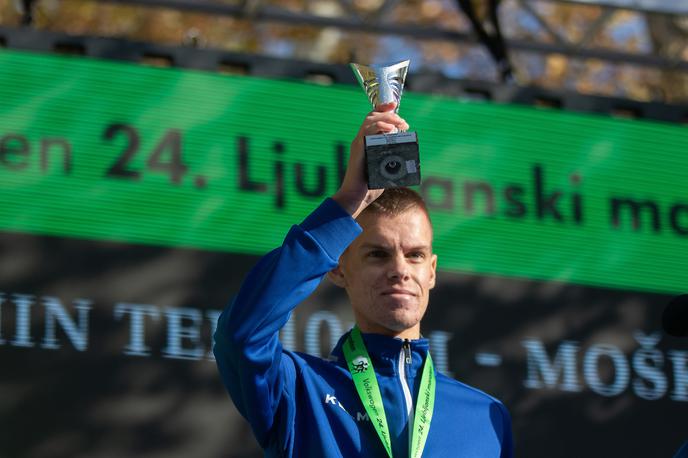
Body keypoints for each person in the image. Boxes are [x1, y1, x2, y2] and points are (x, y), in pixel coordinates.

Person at [214, 102, 513, 457]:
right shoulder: (300, 389)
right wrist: (349, 200)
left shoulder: (486, 419)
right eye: (378, 254)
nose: (400, 269)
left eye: (415, 255)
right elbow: (242, 334)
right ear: (339, 269)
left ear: (431, 271)